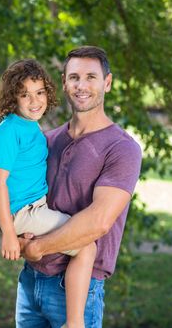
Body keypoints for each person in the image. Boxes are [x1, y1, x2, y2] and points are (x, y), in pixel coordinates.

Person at [17, 46, 142, 327]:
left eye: (90, 77)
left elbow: (99, 221)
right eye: (74, 77)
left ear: (107, 83)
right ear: (63, 82)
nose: (81, 86)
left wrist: (38, 247)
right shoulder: (46, 141)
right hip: (29, 283)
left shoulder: (121, 149)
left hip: (78, 291)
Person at [0, 59, 97, 328]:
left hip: (31, 209)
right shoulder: (9, 131)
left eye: (39, 92)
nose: (34, 101)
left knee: (79, 239)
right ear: (13, 98)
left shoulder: (31, 128)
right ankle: (74, 322)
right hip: (21, 212)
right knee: (86, 245)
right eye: (25, 94)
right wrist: (10, 234)